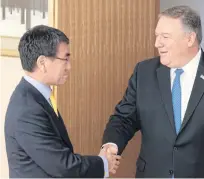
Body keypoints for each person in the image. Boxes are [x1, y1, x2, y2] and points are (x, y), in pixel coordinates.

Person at [101, 5, 204, 178]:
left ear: (190, 39)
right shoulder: (144, 72)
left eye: (165, 37)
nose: (157, 43)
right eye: (157, 36)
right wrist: (111, 145)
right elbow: (123, 119)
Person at [4, 25, 121, 178]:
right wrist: (103, 163)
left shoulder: (34, 97)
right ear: (42, 63)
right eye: (65, 59)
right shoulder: (27, 109)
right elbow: (63, 166)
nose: (69, 66)